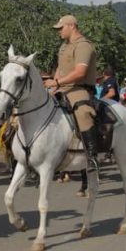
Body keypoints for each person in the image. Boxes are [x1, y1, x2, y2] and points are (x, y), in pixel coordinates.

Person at [43, 15, 98, 168]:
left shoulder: (83, 45)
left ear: (72, 26)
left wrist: (57, 82)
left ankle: (92, 157)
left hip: (80, 88)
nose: (58, 31)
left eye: (61, 28)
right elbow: (60, 69)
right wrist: (53, 87)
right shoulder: (64, 46)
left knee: (83, 113)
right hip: (62, 88)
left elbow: (80, 72)